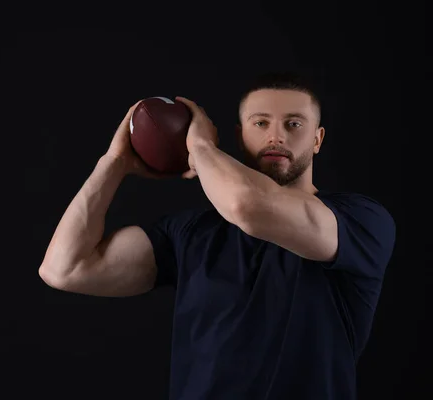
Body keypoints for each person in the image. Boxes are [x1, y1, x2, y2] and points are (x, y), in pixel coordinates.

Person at [38, 72, 396, 400]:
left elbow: (247, 206)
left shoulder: (360, 220)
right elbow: (64, 268)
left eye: (294, 123)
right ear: (240, 135)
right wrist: (114, 162)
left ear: (317, 140)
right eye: (261, 123)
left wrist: (203, 149)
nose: (276, 135)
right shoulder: (191, 233)